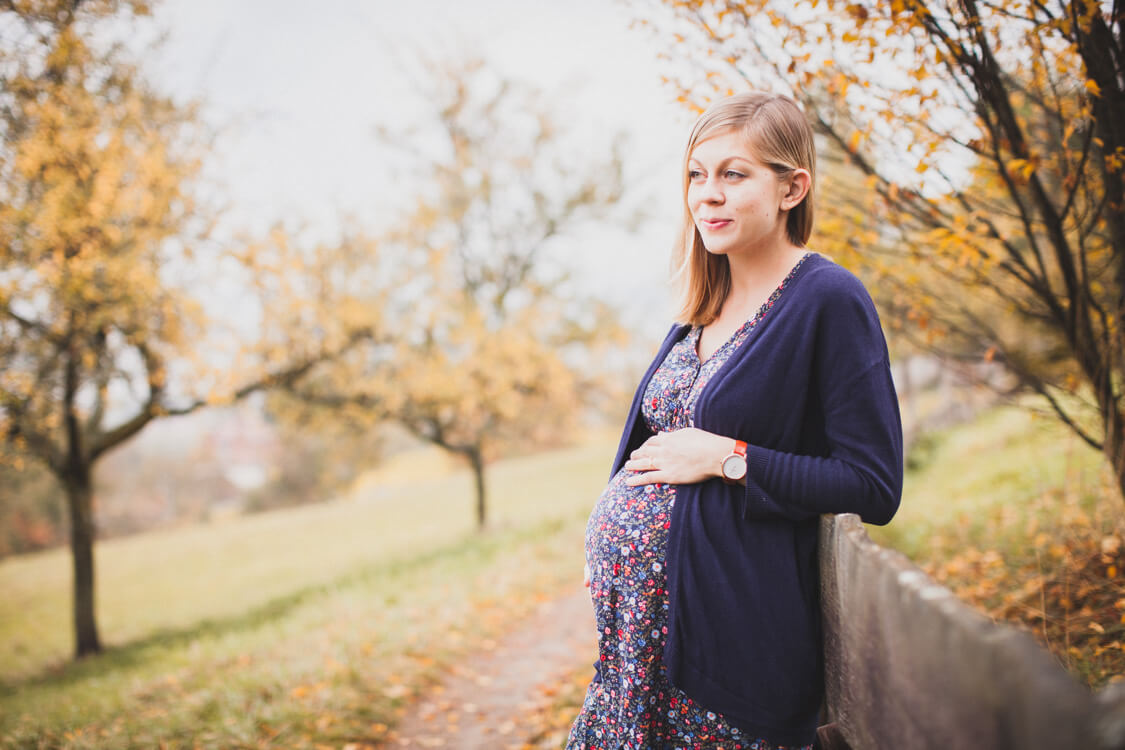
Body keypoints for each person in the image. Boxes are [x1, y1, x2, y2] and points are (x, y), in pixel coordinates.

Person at [565, 92, 904, 750]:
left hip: (720, 654)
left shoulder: (827, 300)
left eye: (733, 174)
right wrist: (603, 544)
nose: (707, 196)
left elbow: (871, 483)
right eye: (696, 175)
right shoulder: (702, 302)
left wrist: (729, 456)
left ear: (791, 188)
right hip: (633, 649)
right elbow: (654, 440)